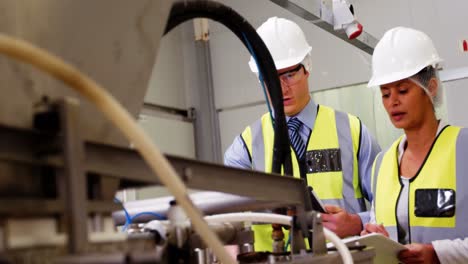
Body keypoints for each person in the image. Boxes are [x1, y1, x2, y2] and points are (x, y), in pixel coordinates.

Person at [224, 16, 381, 251]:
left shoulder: (353, 131)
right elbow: (227, 221)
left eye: (289, 74)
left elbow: (389, 205)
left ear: (306, 67)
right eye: (270, 78)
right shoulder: (245, 148)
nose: (281, 88)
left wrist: (358, 222)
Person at [362, 26, 468, 263]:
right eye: (385, 94)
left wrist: (439, 253)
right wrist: (378, 238)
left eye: (402, 90)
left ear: (430, 88)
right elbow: (382, 226)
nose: (393, 102)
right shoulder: (382, 164)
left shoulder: (464, 148)